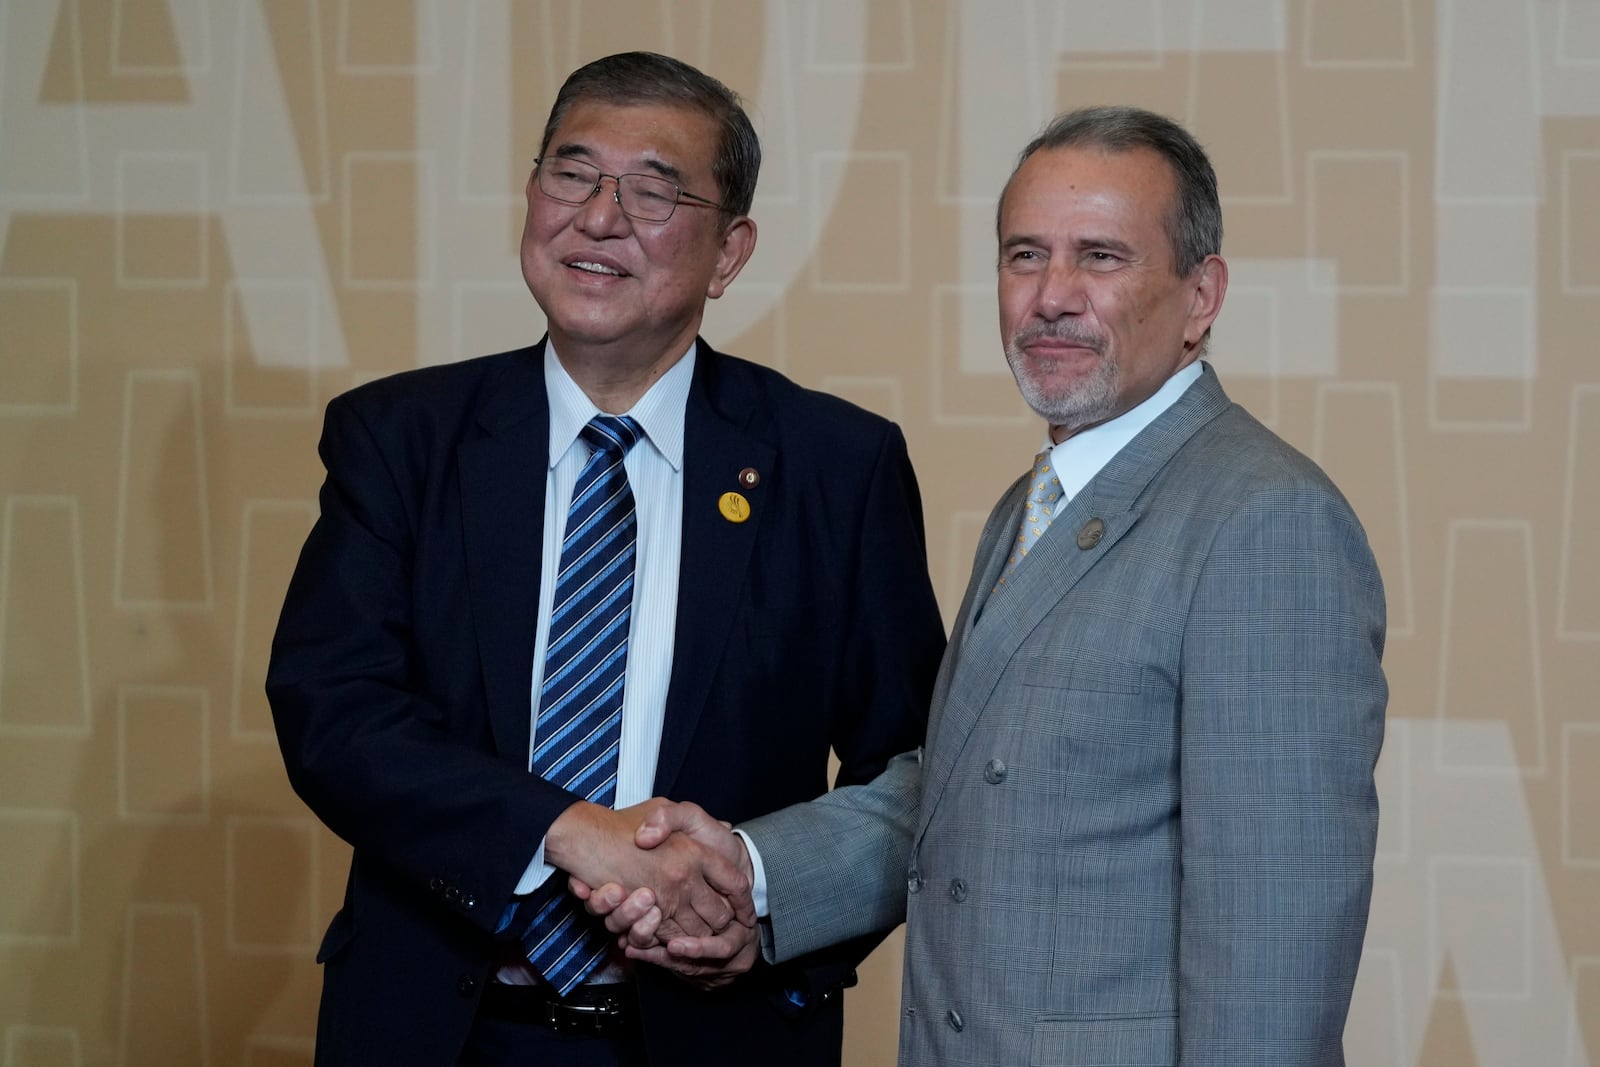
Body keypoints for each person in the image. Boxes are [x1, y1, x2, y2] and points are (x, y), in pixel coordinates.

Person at [592, 105, 1388, 1066]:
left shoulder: (1265, 520)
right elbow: (968, 787)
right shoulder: (1037, 499)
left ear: (1201, 294)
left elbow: (1273, 954)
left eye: (1101, 257)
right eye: (1023, 255)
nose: (1051, 295)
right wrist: (753, 869)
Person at [265, 51, 945, 1066]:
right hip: (439, 1031)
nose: (598, 216)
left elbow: (915, 772)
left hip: (717, 1031)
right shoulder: (401, 437)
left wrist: (764, 907)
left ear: (728, 252)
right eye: (571, 174)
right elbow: (335, 709)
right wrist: (562, 827)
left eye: (654, 190)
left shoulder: (832, 465)